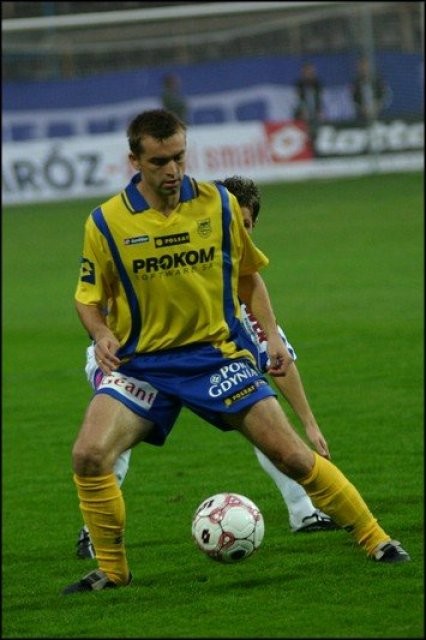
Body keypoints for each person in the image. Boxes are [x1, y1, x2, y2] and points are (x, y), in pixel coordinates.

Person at [64, 108, 409, 595]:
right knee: (89, 454)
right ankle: (113, 571)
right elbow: (87, 298)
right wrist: (101, 332)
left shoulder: (219, 204)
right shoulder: (105, 222)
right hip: (142, 365)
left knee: (292, 456)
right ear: (134, 161)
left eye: (179, 157)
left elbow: (249, 277)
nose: (172, 170)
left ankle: (377, 539)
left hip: (216, 356)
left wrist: (270, 336)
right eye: (160, 161)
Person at [75, 175, 338, 560]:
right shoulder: (183, 257)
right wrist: (105, 333)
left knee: (261, 420)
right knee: (113, 440)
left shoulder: (244, 293)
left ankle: (304, 512)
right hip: (133, 359)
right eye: (234, 224)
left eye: (245, 226)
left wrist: (310, 425)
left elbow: (278, 361)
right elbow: (99, 297)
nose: (238, 233)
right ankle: (94, 532)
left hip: (203, 360)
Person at [351, 57, 389, 122]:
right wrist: (362, 108)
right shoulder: (355, 84)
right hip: (361, 119)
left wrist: (377, 106)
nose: (364, 68)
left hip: (380, 117)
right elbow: (353, 100)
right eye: (361, 66)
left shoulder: (378, 81)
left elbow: (385, 96)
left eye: (365, 66)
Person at [293, 62, 324, 134]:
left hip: (315, 112)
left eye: (312, 71)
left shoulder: (317, 84)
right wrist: (303, 110)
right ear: (303, 72)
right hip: (302, 112)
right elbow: (297, 100)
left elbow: (319, 99)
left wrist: (320, 111)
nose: (310, 73)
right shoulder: (299, 84)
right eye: (308, 71)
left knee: (318, 122)